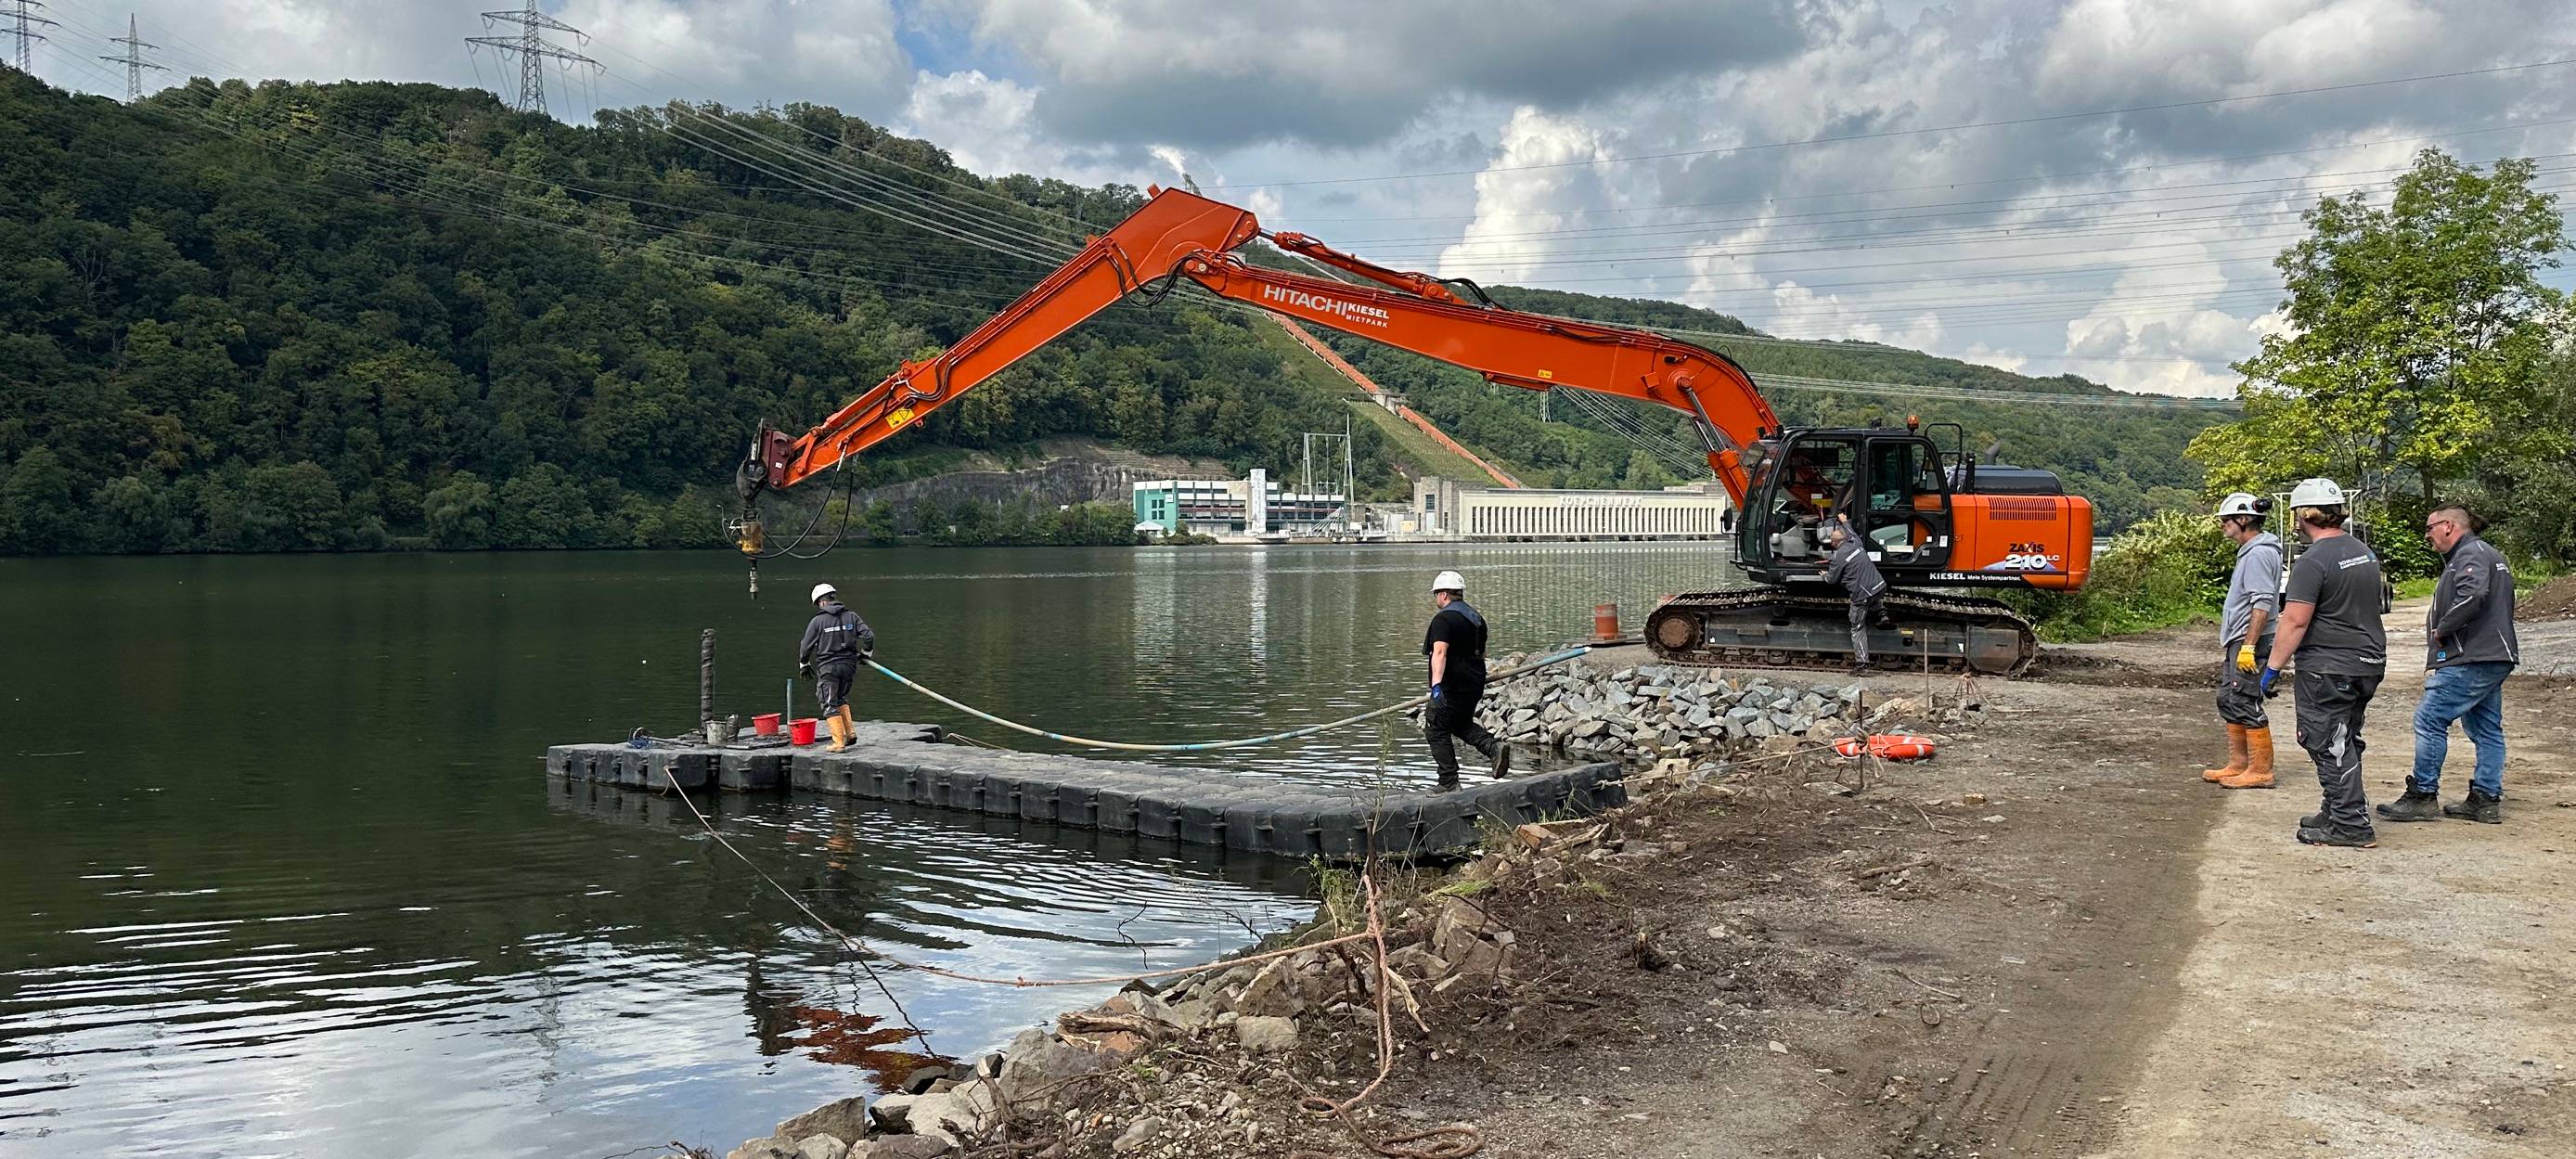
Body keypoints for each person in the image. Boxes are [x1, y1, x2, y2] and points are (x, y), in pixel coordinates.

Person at [2259, 479, 2388, 848]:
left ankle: (2350, 825)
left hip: (2329, 665)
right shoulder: (2363, 552)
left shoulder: (2312, 561)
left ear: (2303, 514)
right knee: (2344, 739)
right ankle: (2337, 810)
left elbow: (2295, 621)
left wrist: (2272, 670)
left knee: (2325, 742)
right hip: (2368, 661)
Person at [2379, 504, 2519, 825]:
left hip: (2470, 656)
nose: (2427, 536)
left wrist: (2443, 628)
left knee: (2430, 718)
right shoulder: (2487, 553)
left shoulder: (2470, 555)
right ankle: (2485, 799)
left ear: (2448, 526)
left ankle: (2423, 795)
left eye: (2429, 529)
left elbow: (2473, 596)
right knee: (2486, 728)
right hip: (2493, 654)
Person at [2203, 493, 2283, 789]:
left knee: (2245, 699)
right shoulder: (2252, 550)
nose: (2223, 525)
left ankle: (2261, 770)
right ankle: (2239, 763)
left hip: (2252, 641)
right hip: (2240, 639)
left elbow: (2261, 603)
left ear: (2244, 519)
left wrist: (2249, 646)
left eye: (2227, 520)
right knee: (2228, 698)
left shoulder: (2260, 553)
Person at [1423, 570, 1508, 791]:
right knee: (1459, 723)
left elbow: (1440, 652)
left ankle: (1448, 781)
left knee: (1435, 727)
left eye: (1436, 594)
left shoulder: (1443, 619)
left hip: (1452, 685)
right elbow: (1481, 651)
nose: (1436, 599)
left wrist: (1436, 687)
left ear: (1443, 594)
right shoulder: (1476, 618)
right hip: (1474, 682)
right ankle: (1493, 747)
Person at [798, 582, 874, 753]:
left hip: (829, 668)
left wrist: (804, 664)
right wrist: (866, 653)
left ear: (821, 602)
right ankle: (850, 733)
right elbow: (868, 636)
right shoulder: (852, 616)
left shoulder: (818, 621)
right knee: (840, 698)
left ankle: (839, 743)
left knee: (828, 702)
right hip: (849, 666)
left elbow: (805, 646)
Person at [1823, 519, 1887, 676]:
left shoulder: (1838, 557)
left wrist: (1823, 575)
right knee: (1872, 593)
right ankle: (1881, 612)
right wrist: (1844, 521)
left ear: (1833, 543)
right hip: (1880, 587)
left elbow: (1832, 580)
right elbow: (1851, 532)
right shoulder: (1856, 543)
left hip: (1862, 595)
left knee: (1857, 627)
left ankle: (1862, 664)